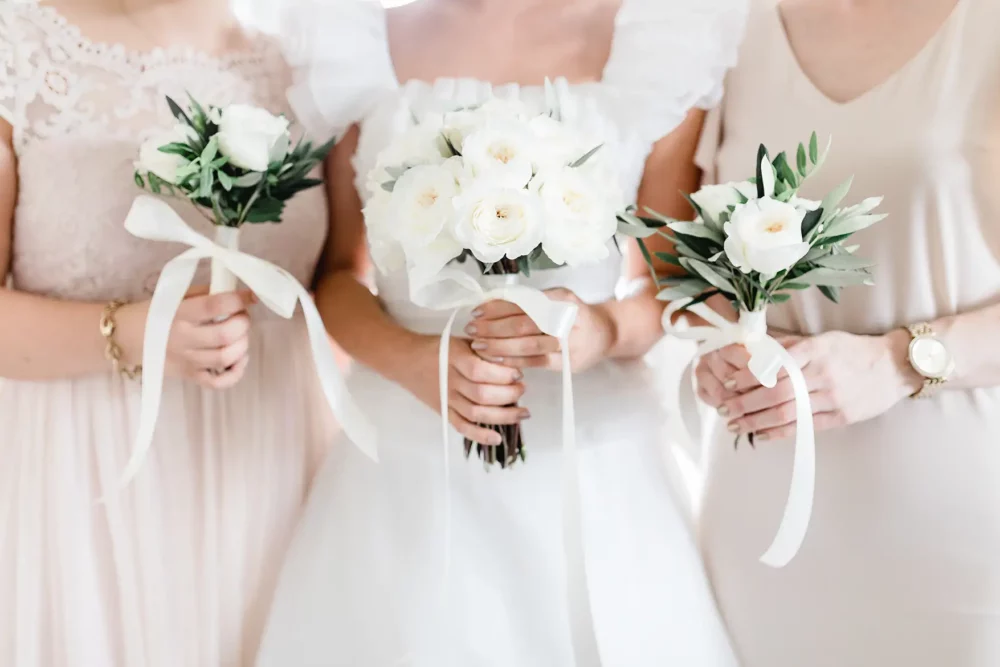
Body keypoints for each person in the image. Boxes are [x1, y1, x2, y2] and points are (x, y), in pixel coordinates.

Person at [256, 0, 747, 665]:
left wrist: (601, 329)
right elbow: (339, 276)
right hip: (404, 466)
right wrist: (413, 360)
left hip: (591, 462)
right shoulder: (358, 40)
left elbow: (670, 284)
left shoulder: (657, 41)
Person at [0, 1, 336, 664]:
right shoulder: (19, 48)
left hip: (269, 467)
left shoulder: (304, 66)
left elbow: (345, 285)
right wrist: (133, 333)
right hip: (83, 482)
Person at [694, 0, 1000, 665]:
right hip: (759, 517)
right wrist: (717, 346)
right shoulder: (731, 27)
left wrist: (899, 361)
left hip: (957, 521)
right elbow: (701, 269)